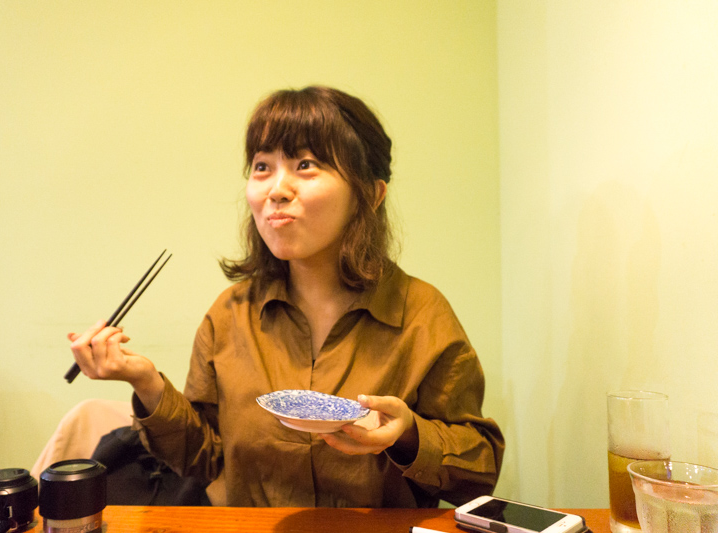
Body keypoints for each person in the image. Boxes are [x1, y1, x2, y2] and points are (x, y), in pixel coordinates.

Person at [69, 86, 504, 508]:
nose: (276, 189)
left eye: (305, 164)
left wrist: (409, 434)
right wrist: (146, 382)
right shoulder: (230, 315)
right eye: (262, 166)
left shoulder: (421, 313)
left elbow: (479, 471)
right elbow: (204, 459)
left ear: (371, 194)